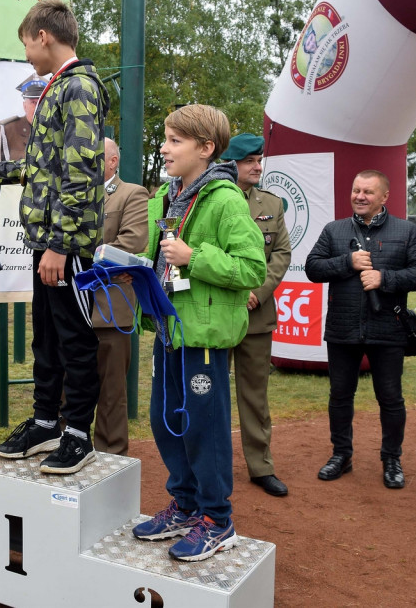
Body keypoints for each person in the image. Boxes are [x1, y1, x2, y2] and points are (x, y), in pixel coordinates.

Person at [0, 0, 110, 475]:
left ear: (43, 35)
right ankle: (46, 421)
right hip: (48, 239)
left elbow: (82, 172)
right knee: (46, 336)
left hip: (67, 245)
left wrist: (61, 245)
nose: (25, 54)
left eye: (26, 42)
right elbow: (47, 168)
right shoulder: (59, 87)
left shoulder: (79, 86)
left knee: (74, 339)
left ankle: (78, 432)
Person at [129, 104, 265, 561]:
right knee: (167, 422)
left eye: (174, 141)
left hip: (203, 337)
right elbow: (159, 254)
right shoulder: (169, 196)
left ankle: (216, 519)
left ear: (206, 149)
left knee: (203, 428)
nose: (163, 149)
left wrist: (195, 257)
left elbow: (251, 268)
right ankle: (186, 504)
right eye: (164, 140)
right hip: (169, 329)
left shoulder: (225, 199)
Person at [304, 170, 416, 489]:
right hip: (342, 329)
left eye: (368, 192)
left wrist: (384, 278)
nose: (360, 196)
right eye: (356, 190)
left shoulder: (406, 231)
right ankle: (341, 455)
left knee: (390, 398)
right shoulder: (334, 231)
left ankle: (391, 459)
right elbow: (313, 267)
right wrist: (347, 262)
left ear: (384, 197)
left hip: (388, 329)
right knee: (340, 396)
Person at [220, 133, 292, 497]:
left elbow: (280, 253)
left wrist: (258, 292)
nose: (257, 166)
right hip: (217, 313)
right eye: (249, 160)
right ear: (231, 162)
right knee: (211, 393)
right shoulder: (213, 197)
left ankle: (261, 466)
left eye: (259, 160)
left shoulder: (271, 203)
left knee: (255, 396)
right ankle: (213, 466)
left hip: (257, 314)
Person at [90, 137, 148, 456]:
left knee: (111, 394)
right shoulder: (76, 192)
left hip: (109, 308)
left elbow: (132, 241)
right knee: (66, 392)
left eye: (96, 157)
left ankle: (110, 460)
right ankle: (67, 450)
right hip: (73, 308)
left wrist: (78, 259)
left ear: (112, 161)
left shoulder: (131, 194)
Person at [0, 74, 46, 163]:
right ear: (24, 106)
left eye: (41, 102)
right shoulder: (7, 129)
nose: (37, 107)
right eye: (33, 102)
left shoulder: (54, 128)